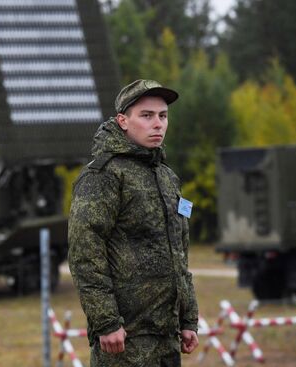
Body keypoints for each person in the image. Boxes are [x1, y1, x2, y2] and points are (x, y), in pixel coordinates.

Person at [68, 79, 199, 366]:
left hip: (166, 335)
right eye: (147, 115)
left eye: (163, 116)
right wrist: (105, 321)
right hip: (125, 338)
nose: (158, 124)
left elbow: (180, 253)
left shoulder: (167, 177)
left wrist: (188, 318)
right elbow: (85, 252)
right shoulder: (103, 176)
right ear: (123, 121)